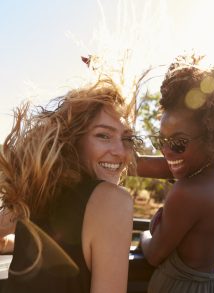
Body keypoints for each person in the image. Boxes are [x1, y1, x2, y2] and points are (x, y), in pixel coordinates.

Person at [0, 77, 140, 292]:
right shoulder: (112, 201)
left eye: (127, 139)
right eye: (103, 136)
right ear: (74, 140)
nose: (121, 152)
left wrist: (14, 244)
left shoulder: (38, 192)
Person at [137, 54, 214, 292]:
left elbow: (153, 255)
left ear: (212, 138)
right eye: (161, 140)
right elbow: (152, 165)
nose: (166, 151)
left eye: (178, 142)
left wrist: (144, 236)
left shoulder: (188, 191)